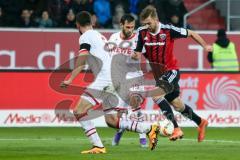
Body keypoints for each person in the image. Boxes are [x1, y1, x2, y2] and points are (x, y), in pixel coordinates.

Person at [60, 11, 160, 154]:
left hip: (105, 79)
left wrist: (70, 78)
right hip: (115, 77)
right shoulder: (99, 36)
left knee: (79, 111)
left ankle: (98, 146)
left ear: (77, 24)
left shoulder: (85, 37)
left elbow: (82, 59)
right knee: (111, 120)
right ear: (92, 23)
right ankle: (149, 128)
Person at [132, 5, 211, 142]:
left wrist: (205, 46)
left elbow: (192, 33)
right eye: (144, 24)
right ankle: (201, 122)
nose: (147, 26)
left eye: (149, 23)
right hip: (159, 76)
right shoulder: (141, 32)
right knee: (178, 105)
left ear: (156, 19)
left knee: (156, 95)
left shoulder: (168, 30)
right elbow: (137, 54)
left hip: (171, 70)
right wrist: (133, 55)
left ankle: (176, 128)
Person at [108, 14, 148, 147]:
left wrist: (127, 53)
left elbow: (137, 57)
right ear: (121, 25)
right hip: (119, 78)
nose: (130, 29)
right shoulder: (113, 38)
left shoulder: (138, 38)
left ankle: (142, 136)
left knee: (134, 102)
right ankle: (120, 130)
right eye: (127, 27)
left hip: (134, 75)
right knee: (120, 114)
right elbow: (109, 56)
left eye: (132, 27)